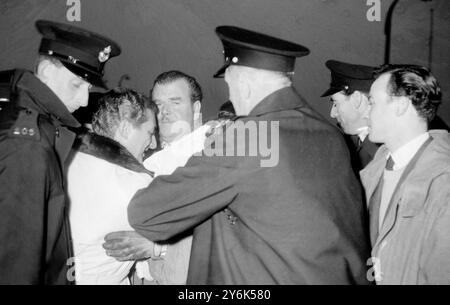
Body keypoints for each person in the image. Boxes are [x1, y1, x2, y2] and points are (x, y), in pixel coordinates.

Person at [110, 26, 371, 284]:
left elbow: (146, 213)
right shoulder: (329, 134)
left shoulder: (250, 135)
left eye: (229, 85)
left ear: (243, 85)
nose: (231, 97)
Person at [0, 20, 120, 284]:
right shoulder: (27, 144)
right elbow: (15, 264)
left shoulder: (29, 123)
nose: (85, 100)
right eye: (77, 85)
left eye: (89, 89)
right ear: (45, 71)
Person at [105, 71, 209, 285]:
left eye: (175, 102)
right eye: (158, 104)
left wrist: (157, 247)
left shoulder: (211, 156)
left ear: (196, 109)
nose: (165, 112)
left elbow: (210, 231)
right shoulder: (152, 159)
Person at [362, 64, 450, 284]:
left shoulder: (443, 182)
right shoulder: (376, 169)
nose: (365, 112)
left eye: (372, 102)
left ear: (401, 105)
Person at [67, 89, 158, 285]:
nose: (152, 143)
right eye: (149, 133)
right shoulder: (135, 184)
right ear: (126, 128)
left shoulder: (68, 159)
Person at [322, 60, 379, 172]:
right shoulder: (354, 143)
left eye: (336, 103)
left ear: (356, 99)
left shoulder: (380, 153)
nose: (332, 114)